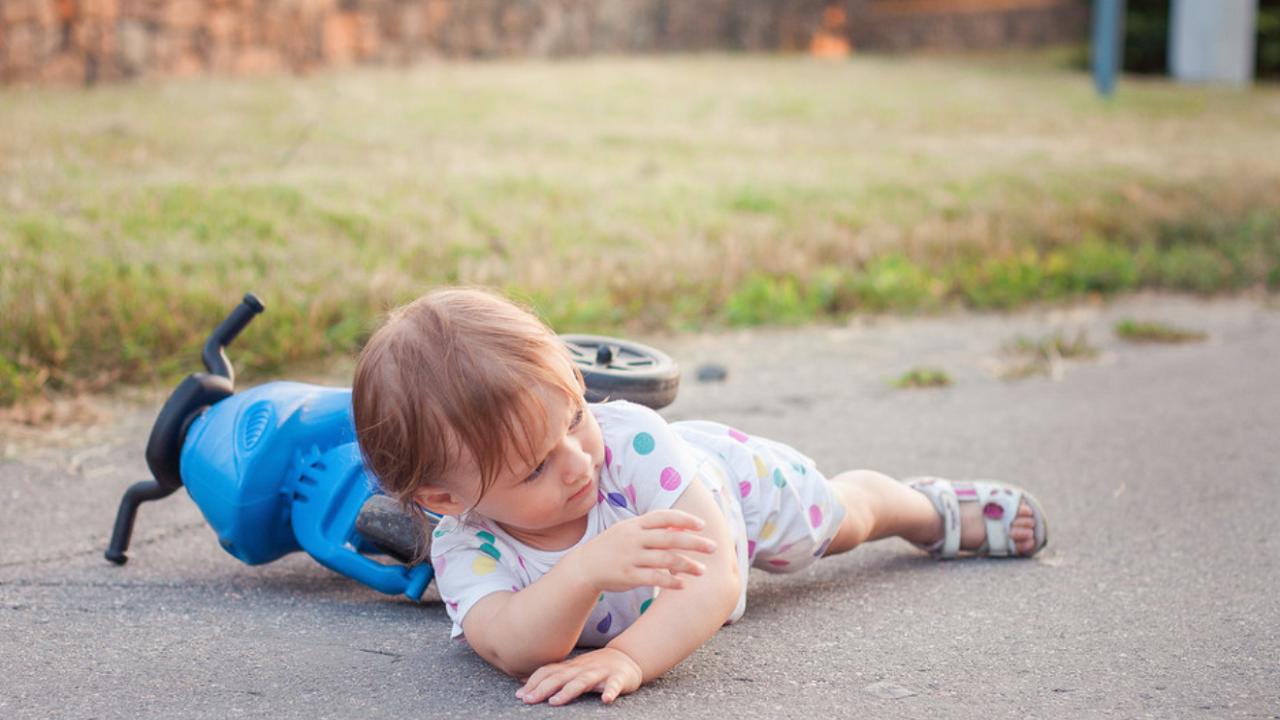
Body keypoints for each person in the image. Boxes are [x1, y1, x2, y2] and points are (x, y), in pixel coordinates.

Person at [352, 287, 1048, 706]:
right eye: (535, 468)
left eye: (575, 416)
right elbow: (511, 647)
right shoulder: (465, 545)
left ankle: (923, 510)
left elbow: (717, 576)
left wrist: (630, 657)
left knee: (838, 523)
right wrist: (585, 571)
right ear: (446, 496)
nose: (576, 464)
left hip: (724, 492)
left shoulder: (627, 446)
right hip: (661, 560)